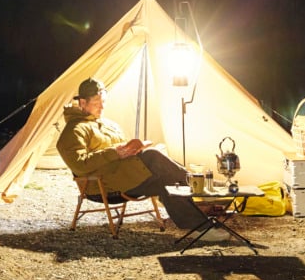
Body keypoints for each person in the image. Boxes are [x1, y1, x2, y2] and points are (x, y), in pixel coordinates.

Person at [56, 77, 208, 231]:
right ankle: (197, 184)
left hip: (126, 176)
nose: (101, 107)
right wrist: (114, 152)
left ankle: (200, 227)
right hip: (104, 186)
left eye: (104, 102)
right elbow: (79, 164)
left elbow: (121, 152)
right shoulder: (74, 130)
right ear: (82, 102)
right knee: (153, 156)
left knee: (167, 182)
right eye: (96, 103)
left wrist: (131, 150)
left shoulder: (109, 125)